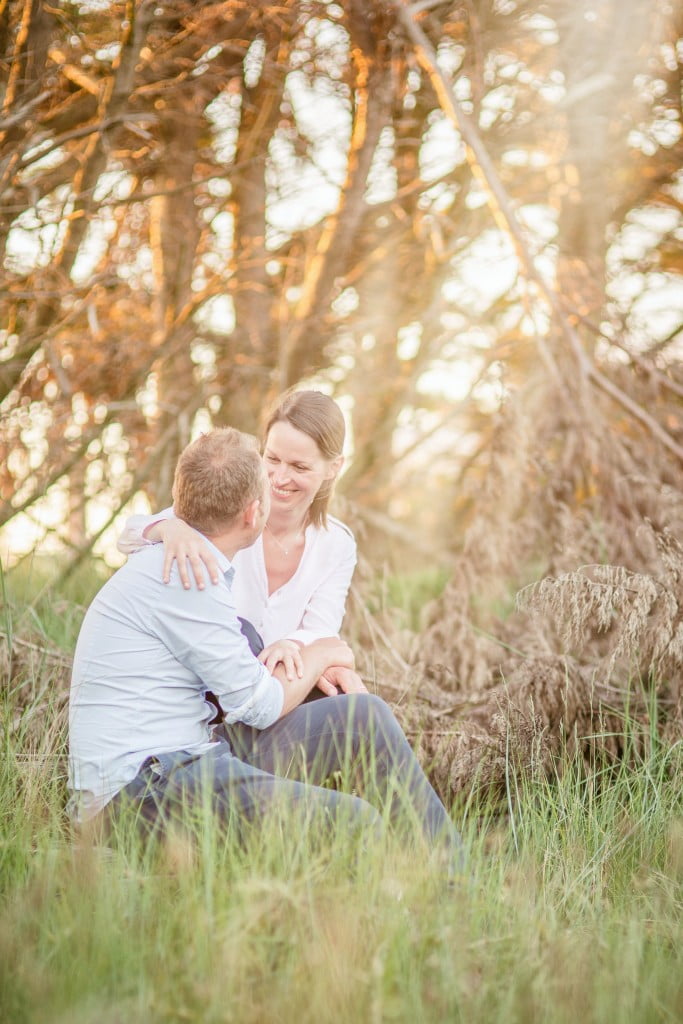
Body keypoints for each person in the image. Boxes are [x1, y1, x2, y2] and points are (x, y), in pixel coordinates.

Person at [68, 427, 465, 872]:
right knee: (355, 822)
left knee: (363, 716)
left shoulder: (197, 556)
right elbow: (259, 705)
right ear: (254, 512)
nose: (281, 481)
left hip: (191, 755)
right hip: (139, 794)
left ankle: (452, 884)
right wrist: (328, 652)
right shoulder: (187, 575)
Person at [117, 389, 362, 694]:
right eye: (272, 458)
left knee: (352, 700)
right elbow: (128, 538)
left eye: (299, 467)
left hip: (280, 681)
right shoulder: (231, 510)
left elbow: (322, 629)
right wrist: (169, 528)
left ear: (333, 467)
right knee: (244, 632)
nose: (279, 478)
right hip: (210, 681)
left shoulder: (337, 544)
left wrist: (292, 644)